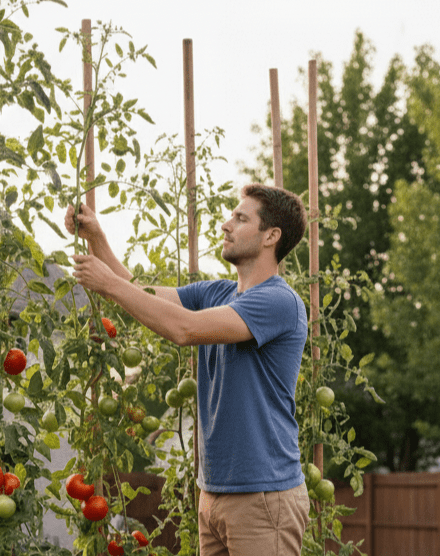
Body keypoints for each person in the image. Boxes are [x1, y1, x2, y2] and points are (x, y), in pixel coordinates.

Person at [66, 183, 310, 556]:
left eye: (241, 218)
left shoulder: (279, 302)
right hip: (214, 493)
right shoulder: (217, 294)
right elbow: (140, 293)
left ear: (271, 237)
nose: (227, 224)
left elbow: (185, 329)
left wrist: (108, 285)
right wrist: (97, 237)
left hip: (263, 496)